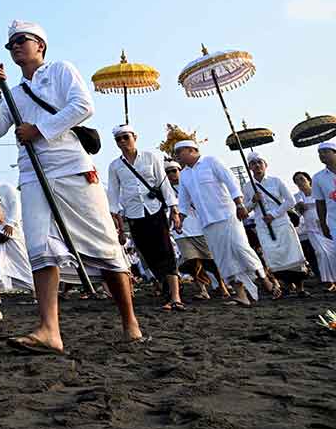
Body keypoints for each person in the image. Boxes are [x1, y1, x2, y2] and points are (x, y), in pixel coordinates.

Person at [0, 20, 142, 354]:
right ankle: (49, 330)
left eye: (21, 40)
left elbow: (83, 106)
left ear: (40, 45)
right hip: (32, 174)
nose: (14, 46)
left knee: (105, 247)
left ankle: (130, 323)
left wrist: (40, 129)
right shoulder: (12, 92)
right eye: (10, 43)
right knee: (40, 247)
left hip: (71, 167)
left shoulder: (60, 70)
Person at [173, 135, 272, 306]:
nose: (177, 157)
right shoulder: (185, 175)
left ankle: (265, 279)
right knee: (223, 259)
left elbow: (231, 181)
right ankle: (241, 294)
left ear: (192, 150)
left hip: (227, 216)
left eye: (179, 153)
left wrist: (240, 204)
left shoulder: (211, 162)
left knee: (241, 249)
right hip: (207, 223)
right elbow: (183, 201)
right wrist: (180, 219)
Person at [107, 126, 184, 310]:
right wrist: (116, 220)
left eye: (126, 137)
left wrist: (174, 210)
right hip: (133, 214)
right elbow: (113, 195)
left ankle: (176, 297)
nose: (123, 142)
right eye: (119, 139)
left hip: (154, 210)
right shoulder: (115, 166)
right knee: (148, 255)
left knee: (166, 251)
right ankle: (167, 289)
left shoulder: (150, 157)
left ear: (135, 137)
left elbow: (163, 184)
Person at [242, 153, 308, 296]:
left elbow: (290, 201)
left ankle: (300, 288)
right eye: (253, 163)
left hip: (282, 223)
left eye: (260, 162)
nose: (257, 165)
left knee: (293, 255)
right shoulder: (247, 187)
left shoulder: (276, 181)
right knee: (275, 258)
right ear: (249, 167)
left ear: (265, 165)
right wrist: (253, 201)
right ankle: (287, 286)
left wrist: (274, 214)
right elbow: (245, 211)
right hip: (263, 227)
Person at [165, 161, 228, 299]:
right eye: (167, 172)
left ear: (180, 170)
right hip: (181, 231)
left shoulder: (191, 184)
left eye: (173, 170)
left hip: (199, 227)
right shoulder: (165, 191)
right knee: (191, 261)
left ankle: (222, 286)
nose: (171, 174)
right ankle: (203, 290)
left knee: (210, 261)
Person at [0, 167, 34, 303]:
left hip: (11, 232)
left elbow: (15, 206)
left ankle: (35, 291)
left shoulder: (7, 188)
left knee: (22, 262)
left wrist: (10, 223)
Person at [293, 171, 336, 291]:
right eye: (297, 181)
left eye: (302, 179)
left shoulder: (319, 192)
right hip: (312, 229)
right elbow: (298, 209)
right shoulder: (298, 196)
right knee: (321, 253)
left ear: (308, 180)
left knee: (332, 252)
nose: (300, 182)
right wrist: (300, 206)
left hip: (326, 225)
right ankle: (329, 281)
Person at [310, 141, 336, 288]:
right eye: (320, 153)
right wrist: (324, 224)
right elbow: (320, 203)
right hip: (334, 221)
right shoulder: (318, 178)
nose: (322, 155)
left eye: (326, 152)